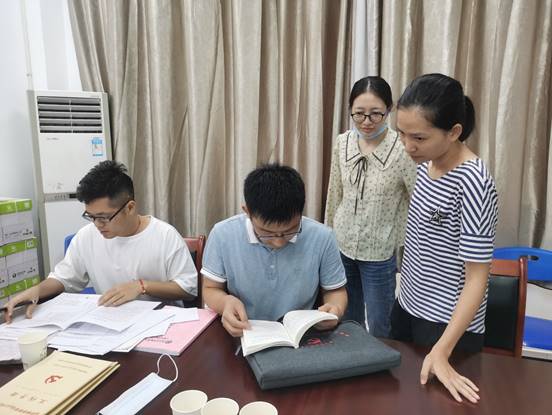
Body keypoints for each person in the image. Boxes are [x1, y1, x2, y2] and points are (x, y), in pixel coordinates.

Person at [391, 73, 498, 404]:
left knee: (432, 404)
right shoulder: (425, 163)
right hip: (408, 305)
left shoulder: (474, 183)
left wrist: (442, 349)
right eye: (402, 133)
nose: (408, 146)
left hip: (446, 326)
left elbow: (477, 278)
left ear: (453, 132)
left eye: (419, 137)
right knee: (399, 399)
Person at [4, 161, 197, 323]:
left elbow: (188, 289)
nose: (97, 224)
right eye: (91, 216)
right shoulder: (86, 236)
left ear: (130, 208)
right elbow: (63, 278)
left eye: (104, 217)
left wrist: (141, 286)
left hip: (160, 324)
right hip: (111, 324)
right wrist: (36, 291)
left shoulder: (164, 236)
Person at [202, 163, 348, 337]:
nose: (278, 242)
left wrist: (336, 308)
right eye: (267, 232)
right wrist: (225, 302)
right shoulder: (223, 234)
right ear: (247, 212)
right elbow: (210, 288)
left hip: (301, 336)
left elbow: (335, 291)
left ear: (301, 212)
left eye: (290, 230)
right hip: (243, 332)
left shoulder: (322, 237)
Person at [324, 76, 416, 337]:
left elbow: (417, 198)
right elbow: (334, 192)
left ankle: (382, 360)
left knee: (380, 323)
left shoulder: (402, 149)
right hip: (342, 245)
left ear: (389, 110)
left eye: (375, 114)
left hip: (379, 251)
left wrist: (408, 243)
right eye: (359, 114)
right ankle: (353, 358)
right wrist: (327, 238)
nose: (366, 121)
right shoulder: (342, 143)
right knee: (347, 321)